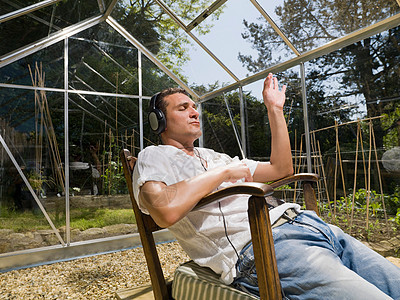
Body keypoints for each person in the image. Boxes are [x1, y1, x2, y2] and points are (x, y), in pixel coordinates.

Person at [132, 73, 400, 299]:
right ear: (159, 120)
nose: (194, 112)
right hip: (265, 248)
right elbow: (164, 210)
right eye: (182, 108)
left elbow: (281, 170)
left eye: (194, 106)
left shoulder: (215, 156)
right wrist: (222, 173)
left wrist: (275, 110)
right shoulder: (153, 156)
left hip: (313, 226)